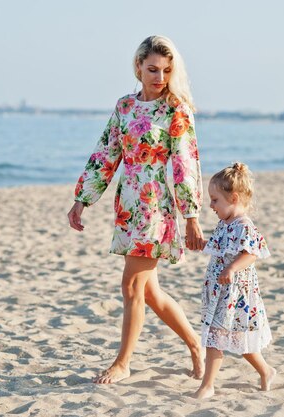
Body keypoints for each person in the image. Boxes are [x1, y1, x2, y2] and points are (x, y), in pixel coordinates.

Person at [67, 35, 206, 384]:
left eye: (166, 70)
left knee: (130, 285)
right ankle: (196, 346)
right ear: (139, 67)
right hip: (128, 205)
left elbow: (186, 164)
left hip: (157, 206)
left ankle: (123, 362)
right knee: (149, 291)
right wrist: (82, 199)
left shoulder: (176, 109)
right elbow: (106, 154)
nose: (160, 77)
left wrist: (192, 216)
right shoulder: (125, 107)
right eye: (153, 69)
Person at [195, 162, 276, 399]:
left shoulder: (244, 226)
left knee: (219, 338)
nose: (210, 205)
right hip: (220, 291)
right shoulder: (224, 224)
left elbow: (252, 253)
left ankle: (207, 386)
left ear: (234, 198)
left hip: (236, 294)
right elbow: (219, 248)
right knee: (227, 338)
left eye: (215, 200)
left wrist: (232, 267)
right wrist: (202, 244)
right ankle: (266, 370)